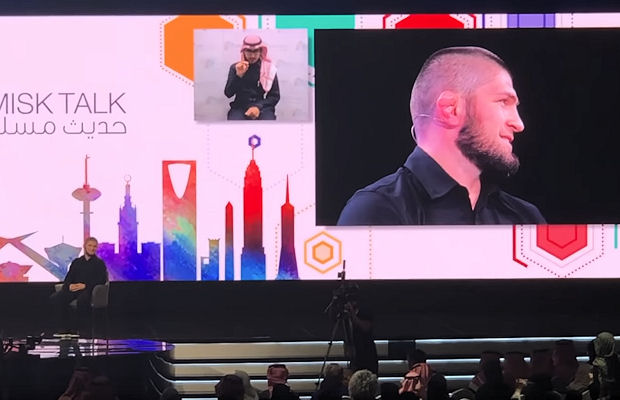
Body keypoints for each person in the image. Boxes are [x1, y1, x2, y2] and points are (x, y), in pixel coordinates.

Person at [337, 46, 545, 225]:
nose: (519, 124)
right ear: (450, 109)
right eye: (503, 102)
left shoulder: (524, 217)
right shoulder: (377, 211)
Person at [50, 237, 108, 333]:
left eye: (94, 246)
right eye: (90, 245)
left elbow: (101, 280)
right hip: (75, 289)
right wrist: (69, 286)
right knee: (56, 298)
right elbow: (69, 277)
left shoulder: (99, 263)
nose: (92, 248)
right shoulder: (77, 262)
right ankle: (63, 329)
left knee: (82, 300)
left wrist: (85, 286)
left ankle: (80, 330)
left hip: (89, 290)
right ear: (85, 246)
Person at [225, 35, 280, 120]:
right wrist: (238, 76)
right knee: (235, 122)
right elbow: (228, 93)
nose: (252, 56)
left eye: (256, 51)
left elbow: (274, 96)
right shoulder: (235, 67)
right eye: (249, 51)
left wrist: (258, 107)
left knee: (268, 122)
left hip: (262, 107)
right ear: (244, 51)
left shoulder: (269, 69)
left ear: (261, 51)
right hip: (240, 107)